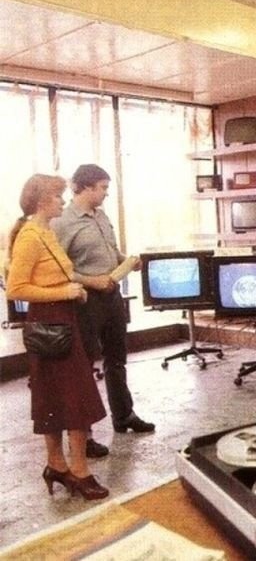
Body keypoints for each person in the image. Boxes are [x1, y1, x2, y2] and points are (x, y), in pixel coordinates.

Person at [6, 174, 109, 500]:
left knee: (58, 398)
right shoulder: (30, 237)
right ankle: (78, 471)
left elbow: (51, 277)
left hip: (62, 321)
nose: (63, 202)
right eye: (57, 197)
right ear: (41, 202)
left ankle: (58, 466)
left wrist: (72, 290)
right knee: (73, 398)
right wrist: (64, 291)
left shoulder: (46, 232)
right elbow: (15, 289)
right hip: (49, 325)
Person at [52, 164, 154, 457]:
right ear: (85, 187)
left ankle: (124, 416)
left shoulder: (101, 215)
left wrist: (126, 261)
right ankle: (83, 436)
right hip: (86, 301)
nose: (106, 194)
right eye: (103, 188)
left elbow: (109, 251)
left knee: (117, 359)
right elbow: (59, 269)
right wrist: (91, 280)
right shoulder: (62, 222)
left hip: (112, 296)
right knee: (84, 367)